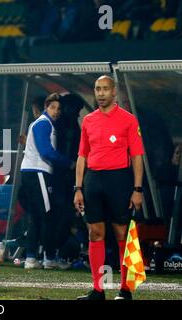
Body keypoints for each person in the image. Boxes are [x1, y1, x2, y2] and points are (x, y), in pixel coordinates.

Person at [74, 75, 144, 300]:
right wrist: (78, 187)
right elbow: (82, 156)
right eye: (97, 89)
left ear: (114, 92)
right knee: (95, 233)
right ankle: (98, 290)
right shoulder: (88, 121)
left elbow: (137, 156)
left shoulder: (129, 120)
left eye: (105, 89)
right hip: (93, 180)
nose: (101, 93)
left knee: (121, 232)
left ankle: (125, 289)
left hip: (119, 181)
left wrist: (137, 189)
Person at [19, 93, 73, 270]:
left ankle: (31, 258)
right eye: (53, 107)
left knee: (35, 217)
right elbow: (46, 151)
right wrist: (67, 162)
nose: (56, 111)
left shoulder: (41, 123)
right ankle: (49, 259)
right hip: (38, 172)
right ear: (45, 107)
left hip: (30, 172)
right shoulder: (44, 123)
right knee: (48, 216)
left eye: (58, 109)